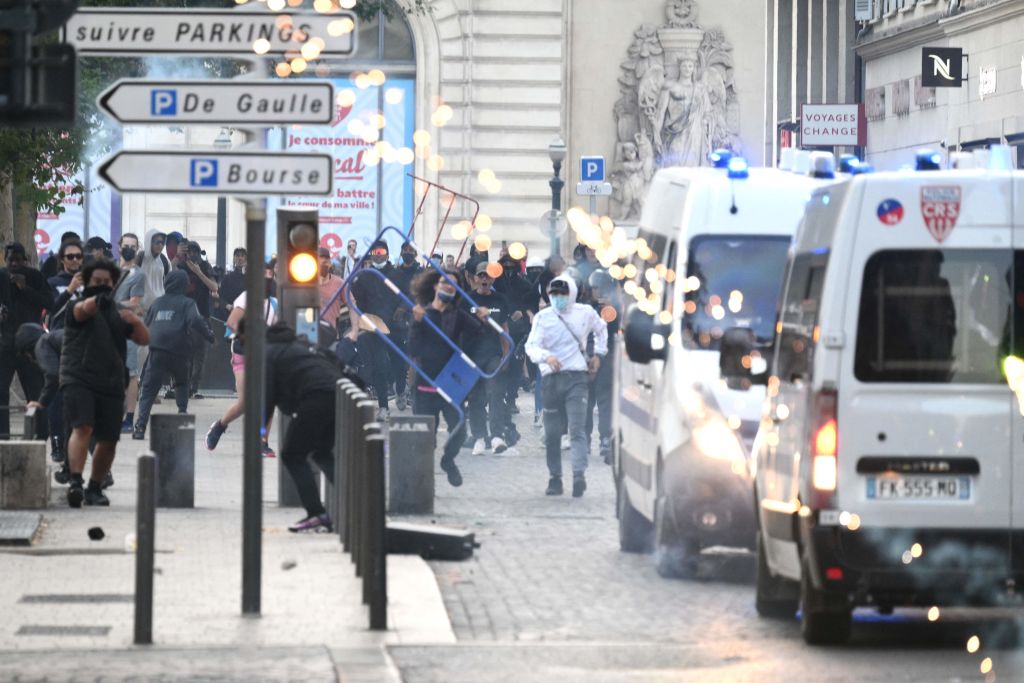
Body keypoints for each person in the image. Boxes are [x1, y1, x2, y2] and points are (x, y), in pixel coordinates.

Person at [61, 259, 149, 507]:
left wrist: (134, 319)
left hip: (111, 382)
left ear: (113, 285)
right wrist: (96, 302)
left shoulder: (117, 312)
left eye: (106, 282)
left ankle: (95, 487)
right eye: (96, 282)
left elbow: (144, 338)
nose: (101, 286)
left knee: (109, 439)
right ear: (87, 283)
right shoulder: (77, 304)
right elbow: (82, 311)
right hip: (78, 377)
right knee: (83, 427)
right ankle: (76, 482)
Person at [524, 275, 607, 498]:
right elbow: (531, 346)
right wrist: (546, 357)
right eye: (554, 294)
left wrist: (598, 354)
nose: (558, 298)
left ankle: (579, 475)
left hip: (577, 378)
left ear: (571, 294)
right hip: (551, 379)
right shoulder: (543, 317)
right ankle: (555, 478)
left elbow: (602, 329)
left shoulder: (585, 313)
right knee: (552, 434)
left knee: (577, 428)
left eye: (562, 294)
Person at [409, 270, 489, 487]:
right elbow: (413, 348)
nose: (448, 287)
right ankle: (423, 484)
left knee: (460, 430)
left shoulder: (458, 315)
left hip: (450, 383)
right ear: (435, 286)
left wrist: (483, 321)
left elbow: (479, 337)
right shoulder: (422, 314)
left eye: (453, 285)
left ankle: (448, 461)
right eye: (445, 283)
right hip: (426, 383)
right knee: (427, 438)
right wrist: (416, 323)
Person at [262, 321, 344, 532]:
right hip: (338, 394)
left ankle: (316, 513)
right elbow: (334, 362)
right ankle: (357, 501)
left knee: (292, 455)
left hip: (314, 398)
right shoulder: (304, 345)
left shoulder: (270, 352)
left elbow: (269, 394)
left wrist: (261, 430)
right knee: (322, 453)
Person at [205, 261, 279, 457]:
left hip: (264, 356)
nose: (267, 278)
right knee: (245, 402)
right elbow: (232, 323)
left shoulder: (274, 304)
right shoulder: (246, 298)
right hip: (243, 354)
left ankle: (262, 442)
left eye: (270, 275)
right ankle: (219, 426)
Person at [133, 271, 213, 439]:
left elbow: (146, 324)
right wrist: (209, 335)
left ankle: (140, 427)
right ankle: (182, 415)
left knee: (148, 390)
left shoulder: (157, 303)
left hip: (157, 351)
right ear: (184, 285)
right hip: (180, 350)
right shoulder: (188, 303)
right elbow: (196, 320)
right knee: (182, 383)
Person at [0, 243, 54, 440]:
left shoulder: (35, 277)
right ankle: (3, 434)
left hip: (30, 344)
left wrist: (26, 289)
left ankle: (41, 433)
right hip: (6, 343)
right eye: (10, 260)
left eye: (18, 260)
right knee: (1, 390)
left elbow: (50, 302)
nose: (14, 264)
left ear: (25, 260)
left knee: (35, 389)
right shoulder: (1, 276)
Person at [346, 239, 400, 419]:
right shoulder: (365, 276)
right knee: (376, 365)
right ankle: (383, 405)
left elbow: (403, 296)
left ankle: (399, 388)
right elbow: (354, 297)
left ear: (387, 252)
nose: (379, 256)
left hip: (395, 327)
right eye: (375, 252)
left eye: (381, 252)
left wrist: (399, 312)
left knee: (396, 364)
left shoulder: (395, 274)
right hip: (371, 326)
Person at [463, 261, 511, 456]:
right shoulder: (467, 300)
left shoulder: (500, 300)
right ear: (474, 278)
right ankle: (479, 437)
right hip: (472, 355)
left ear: (493, 278)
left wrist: (506, 356)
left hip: (493, 354)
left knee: (496, 392)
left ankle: (497, 435)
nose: (484, 279)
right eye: (481, 275)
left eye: (488, 276)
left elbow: (505, 330)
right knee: (476, 397)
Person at [178, 240, 218, 398]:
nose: (193, 255)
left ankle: (193, 387)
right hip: (184, 316)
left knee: (200, 354)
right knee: (183, 354)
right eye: (190, 252)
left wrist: (199, 272)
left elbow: (214, 287)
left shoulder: (205, 266)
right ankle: (183, 386)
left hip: (202, 315)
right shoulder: (181, 266)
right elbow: (168, 280)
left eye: (195, 252)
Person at [114, 233, 144, 432]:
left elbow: (135, 304)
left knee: (131, 373)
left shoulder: (138, 274)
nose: (129, 249)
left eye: (133, 246)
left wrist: (108, 304)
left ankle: (129, 417)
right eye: (126, 245)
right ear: (119, 247)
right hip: (107, 328)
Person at [389, 241, 423, 411]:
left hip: (416, 319)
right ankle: (401, 390)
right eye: (405, 250)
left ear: (416, 254)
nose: (408, 253)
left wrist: (405, 306)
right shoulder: (395, 273)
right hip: (397, 322)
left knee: (415, 358)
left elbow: (420, 293)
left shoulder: (421, 272)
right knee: (400, 359)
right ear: (401, 252)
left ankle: (413, 392)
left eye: (411, 251)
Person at [47, 239, 84, 320]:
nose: (75, 259)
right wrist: (70, 290)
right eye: (70, 257)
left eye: (78, 256)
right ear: (62, 259)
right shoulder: (52, 283)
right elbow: (51, 309)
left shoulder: (89, 281)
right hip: (62, 329)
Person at [317, 247, 345, 330]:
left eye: (325, 262)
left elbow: (352, 304)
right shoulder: (306, 283)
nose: (322, 265)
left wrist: (354, 331)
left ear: (329, 263)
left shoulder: (339, 282)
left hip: (332, 331)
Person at [219, 248, 247, 317]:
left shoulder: (252, 278)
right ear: (234, 259)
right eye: (237, 256)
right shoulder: (227, 278)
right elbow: (221, 297)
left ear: (246, 259)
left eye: (242, 256)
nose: (240, 258)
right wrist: (226, 305)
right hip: (231, 314)